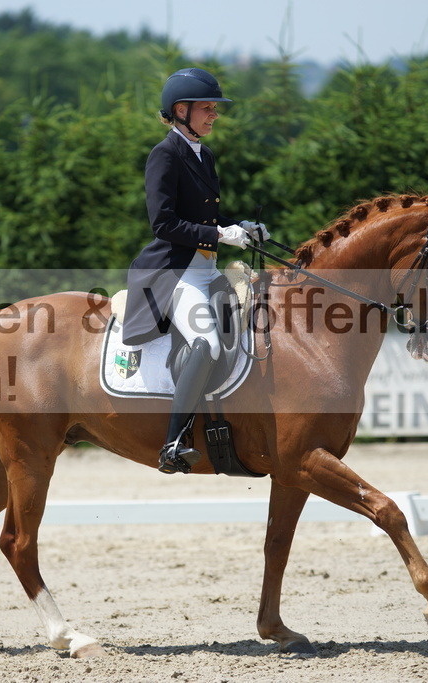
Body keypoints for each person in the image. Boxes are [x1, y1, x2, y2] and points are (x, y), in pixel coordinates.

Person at [121, 67, 270, 474]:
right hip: (177, 272)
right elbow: (163, 224)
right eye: (207, 108)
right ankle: (172, 443)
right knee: (208, 343)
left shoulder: (203, 154)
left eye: (215, 108)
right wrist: (221, 234)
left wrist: (243, 228)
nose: (214, 115)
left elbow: (209, 216)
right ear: (181, 110)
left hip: (207, 269)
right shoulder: (164, 154)